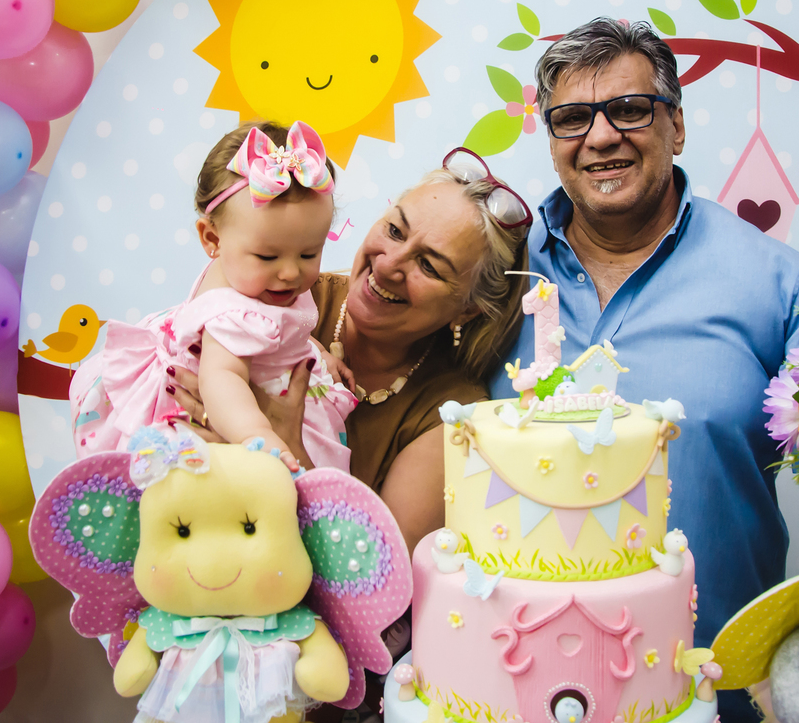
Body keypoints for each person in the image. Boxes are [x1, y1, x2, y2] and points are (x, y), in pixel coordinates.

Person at [489, 18, 799, 722]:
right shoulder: (492, 273)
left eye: (631, 109)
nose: (601, 138)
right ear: (551, 141)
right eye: (571, 119)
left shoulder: (781, 285)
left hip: (718, 693)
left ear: (678, 126)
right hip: (502, 687)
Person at [173, 147, 533, 555]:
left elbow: (376, 572)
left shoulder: (449, 414)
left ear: (466, 309)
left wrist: (286, 456)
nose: (387, 265)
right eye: (395, 231)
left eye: (429, 266)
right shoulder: (282, 291)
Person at [69, 120, 357, 473]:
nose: (290, 273)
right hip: (232, 411)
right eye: (268, 257)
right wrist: (260, 438)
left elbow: (278, 328)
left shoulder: (249, 277)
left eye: (309, 254)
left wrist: (316, 351)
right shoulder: (231, 318)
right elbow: (222, 379)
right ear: (212, 239)